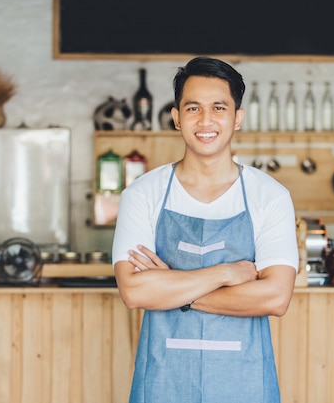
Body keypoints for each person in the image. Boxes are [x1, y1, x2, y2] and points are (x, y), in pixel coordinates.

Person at [112, 57, 298, 403]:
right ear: (177, 117)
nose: (206, 120)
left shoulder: (270, 196)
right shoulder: (142, 194)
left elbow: (275, 296)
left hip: (244, 383)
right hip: (164, 381)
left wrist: (172, 286)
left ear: (237, 118)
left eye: (219, 107)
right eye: (193, 108)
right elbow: (135, 292)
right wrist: (228, 272)